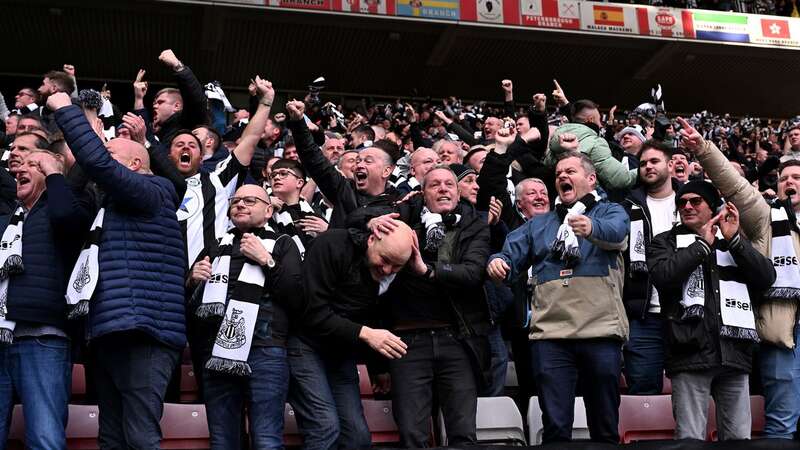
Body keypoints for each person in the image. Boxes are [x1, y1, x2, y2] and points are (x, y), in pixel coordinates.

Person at [50, 92, 186, 448]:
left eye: (112, 154)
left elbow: (97, 165)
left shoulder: (153, 191)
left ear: (136, 166)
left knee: (141, 437)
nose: (103, 158)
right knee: (111, 437)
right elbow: (73, 193)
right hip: (110, 331)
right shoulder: (108, 207)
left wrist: (67, 110)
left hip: (142, 331)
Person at [487, 152, 629, 444]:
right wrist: (498, 262)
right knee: (555, 427)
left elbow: (618, 233)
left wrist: (591, 228)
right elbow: (509, 253)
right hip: (551, 336)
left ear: (591, 179)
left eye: (571, 171)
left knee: (605, 426)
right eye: (559, 173)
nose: (562, 176)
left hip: (600, 331)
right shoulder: (538, 224)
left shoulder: (609, 211)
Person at [680, 116, 800, 440]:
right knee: (782, 423)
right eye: (784, 177)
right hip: (783, 329)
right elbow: (736, 187)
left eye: (797, 176)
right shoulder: (765, 218)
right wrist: (704, 150)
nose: (790, 182)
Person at [370, 166, 491, 447]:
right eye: (434, 184)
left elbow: (473, 274)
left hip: (457, 339)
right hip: (406, 342)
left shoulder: (473, 224)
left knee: (463, 433)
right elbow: (357, 217)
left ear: (459, 191)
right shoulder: (403, 218)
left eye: (449, 183)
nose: (443, 189)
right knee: (413, 434)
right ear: (422, 193)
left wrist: (426, 270)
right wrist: (375, 220)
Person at [648, 181, 774, 440]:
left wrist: (736, 242)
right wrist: (702, 245)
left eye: (696, 201)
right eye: (682, 203)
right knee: (690, 439)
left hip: (733, 352)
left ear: (711, 207)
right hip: (688, 353)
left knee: (739, 438)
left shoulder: (732, 241)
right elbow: (663, 276)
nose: (687, 206)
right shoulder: (664, 242)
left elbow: (766, 277)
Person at [189, 184, 304, 449]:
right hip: (216, 353)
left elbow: (296, 297)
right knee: (222, 441)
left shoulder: (282, 243)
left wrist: (267, 260)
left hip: (265, 350)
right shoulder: (215, 246)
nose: (240, 204)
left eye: (250, 200)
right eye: (236, 200)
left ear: (268, 211)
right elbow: (192, 310)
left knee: (266, 440)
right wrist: (193, 282)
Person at [289, 223, 416, 450]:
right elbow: (313, 313)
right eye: (385, 260)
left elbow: (375, 318)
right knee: (324, 428)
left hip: (341, 353)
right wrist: (365, 333)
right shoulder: (331, 245)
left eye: (397, 266)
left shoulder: (387, 271)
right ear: (371, 239)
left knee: (357, 438)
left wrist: (378, 368)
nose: (387, 270)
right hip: (306, 345)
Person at [0, 151, 91, 448]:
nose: (21, 169)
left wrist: (54, 173)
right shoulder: (8, 220)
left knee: (44, 437)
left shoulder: (63, 209)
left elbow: (67, 216)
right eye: (19, 166)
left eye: (33, 165)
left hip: (42, 338)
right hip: (2, 337)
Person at [621, 140, 682, 395]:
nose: (647, 167)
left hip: (687, 314)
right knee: (643, 391)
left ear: (670, 165)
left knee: (691, 392)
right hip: (643, 315)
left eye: (654, 161)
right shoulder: (626, 206)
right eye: (643, 163)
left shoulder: (692, 201)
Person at [285, 100, 400, 229]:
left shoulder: (401, 203)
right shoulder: (344, 190)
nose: (359, 165)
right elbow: (313, 159)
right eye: (357, 161)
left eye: (368, 161)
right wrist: (299, 122)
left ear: (386, 171)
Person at [547, 100, 638, 191]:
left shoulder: (554, 141)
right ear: (591, 120)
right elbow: (621, 180)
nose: (600, 124)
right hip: (587, 198)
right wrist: (642, 170)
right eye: (599, 120)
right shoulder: (595, 143)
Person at [133, 50, 208, 143]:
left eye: (161, 102)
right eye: (155, 103)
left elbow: (195, 101)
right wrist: (139, 98)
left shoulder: (186, 124)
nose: (154, 106)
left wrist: (178, 66)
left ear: (177, 106)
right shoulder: (162, 132)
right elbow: (145, 137)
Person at [267, 158, 328, 258]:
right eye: (273, 175)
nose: (276, 177)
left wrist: (328, 231)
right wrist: (264, 202)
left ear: (299, 183)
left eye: (283, 174)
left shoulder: (314, 215)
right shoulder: (264, 209)